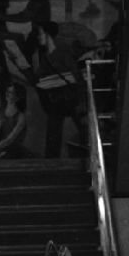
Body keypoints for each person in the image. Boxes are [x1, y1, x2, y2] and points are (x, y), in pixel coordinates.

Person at [31, 20, 86, 157]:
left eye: (40, 34)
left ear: (48, 34)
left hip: (70, 98)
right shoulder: (45, 57)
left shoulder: (62, 53)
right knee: (55, 132)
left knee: (82, 130)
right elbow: (38, 78)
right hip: (58, 100)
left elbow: (76, 76)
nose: (38, 37)